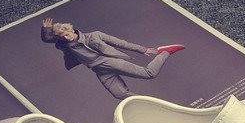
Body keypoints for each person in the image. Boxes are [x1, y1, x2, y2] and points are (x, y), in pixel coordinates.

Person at [41, 17, 185, 99]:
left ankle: (166, 52)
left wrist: (142, 49)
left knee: (149, 73)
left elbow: (119, 43)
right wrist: (46, 29)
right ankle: (148, 104)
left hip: (108, 61)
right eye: (62, 37)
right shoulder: (65, 45)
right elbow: (47, 39)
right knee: (119, 94)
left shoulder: (94, 36)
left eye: (67, 35)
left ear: (71, 30)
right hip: (99, 70)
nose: (66, 38)